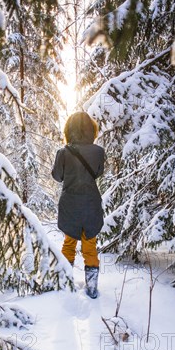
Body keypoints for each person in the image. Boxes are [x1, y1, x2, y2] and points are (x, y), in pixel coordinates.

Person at [52, 111, 105, 298]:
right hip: (91, 202)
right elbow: (98, 173)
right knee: (90, 245)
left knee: (69, 243)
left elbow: (57, 176)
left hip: (70, 204)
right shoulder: (99, 152)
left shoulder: (63, 153)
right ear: (91, 129)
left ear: (69, 130)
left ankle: (65, 284)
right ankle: (91, 288)